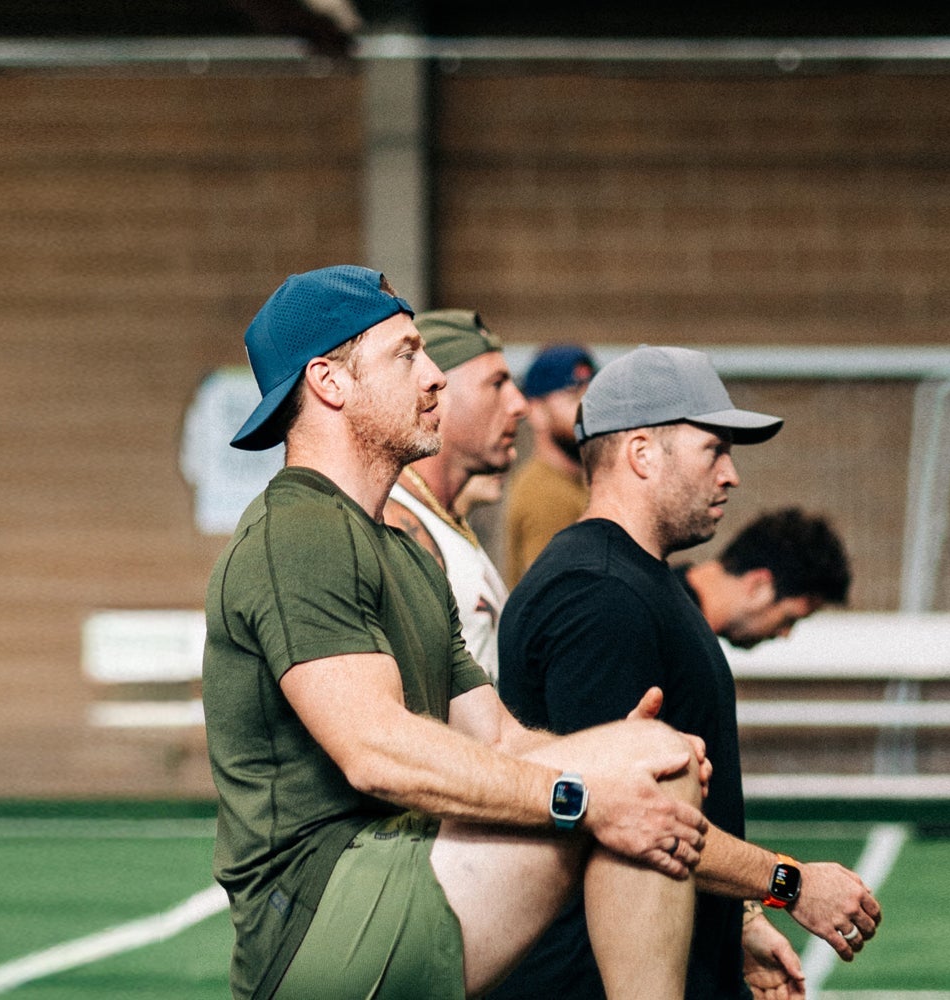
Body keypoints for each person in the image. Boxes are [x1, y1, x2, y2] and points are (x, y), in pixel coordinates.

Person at [205, 267, 717, 1000]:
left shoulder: (404, 554)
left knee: (650, 758)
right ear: (329, 382)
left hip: (401, 865)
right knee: (632, 772)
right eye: (407, 354)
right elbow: (375, 752)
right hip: (325, 918)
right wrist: (583, 791)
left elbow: (501, 740)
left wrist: (613, 760)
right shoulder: (299, 530)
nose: (437, 377)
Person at [496, 346, 882, 1000]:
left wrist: (742, 921)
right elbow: (632, 821)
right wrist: (791, 886)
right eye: (714, 450)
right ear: (643, 453)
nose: (730, 475)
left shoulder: (639, 580)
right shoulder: (599, 596)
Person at [380, 309, 528, 679]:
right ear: (438, 392)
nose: (518, 404)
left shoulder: (447, 521)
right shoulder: (399, 525)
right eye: (497, 384)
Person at [679, 508, 852, 651]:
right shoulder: (672, 634)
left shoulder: (668, 609)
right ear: (758, 585)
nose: (785, 634)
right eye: (789, 619)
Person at [501, 343, 595, 585]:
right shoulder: (546, 495)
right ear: (536, 411)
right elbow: (557, 599)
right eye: (574, 397)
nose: (588, 411)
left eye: (592, 397)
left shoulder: (574, 483)